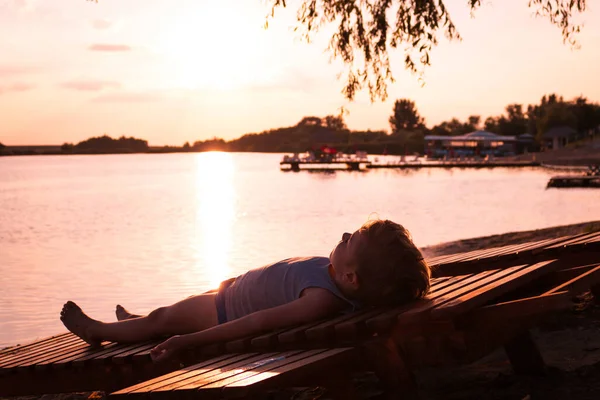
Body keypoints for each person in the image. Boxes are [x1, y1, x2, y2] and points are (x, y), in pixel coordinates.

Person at [60, 219, 430, 362]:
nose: (346, 235)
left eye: (353, 240)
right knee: (162, 315)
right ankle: (134, 322)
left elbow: (258, 322)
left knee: (164, 320)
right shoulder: (335, 279)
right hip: (231, 292)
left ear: (353, 279)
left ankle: (100, 331)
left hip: (225, 311)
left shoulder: (320, 300)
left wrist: (185, 342)